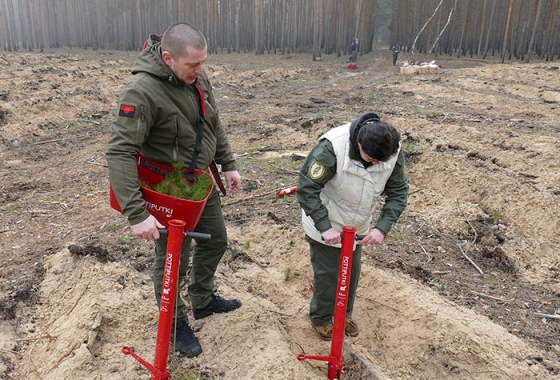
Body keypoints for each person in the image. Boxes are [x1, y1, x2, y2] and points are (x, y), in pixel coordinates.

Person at [106, 22, 242, 358]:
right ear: (168, 58)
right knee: (172, 259)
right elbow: (120, 151)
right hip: (167, 188)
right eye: (192, 65)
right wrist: (136, 214)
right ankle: (173, 320)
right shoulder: (140, 92)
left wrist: (228, 163)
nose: (200, 71)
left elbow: (212, 121)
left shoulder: (197, 77)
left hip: (199, 183)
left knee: (217, 240)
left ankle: (202, 299)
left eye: (203, 63)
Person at [296, 112, 409, 341]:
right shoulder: (332, 148)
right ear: (359, 144)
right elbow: (307, 189)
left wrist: (381, 228)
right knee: (329, 276)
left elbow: (398, 192)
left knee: (351, 273)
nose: (376, 163)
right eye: (371, 158)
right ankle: (322, 319)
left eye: (380, 161)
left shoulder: (392, 149)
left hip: (357, 226)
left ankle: (343, 315)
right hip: (327, 224)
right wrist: (324, 226)